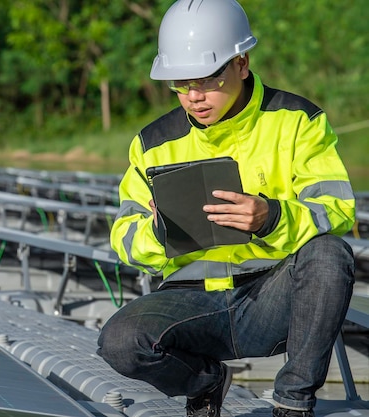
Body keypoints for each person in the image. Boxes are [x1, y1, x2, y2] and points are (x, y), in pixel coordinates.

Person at [96, 1, 356, 417]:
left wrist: (271, 217)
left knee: (329, 255)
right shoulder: (152, 142)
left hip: (270, 296)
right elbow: (124, 237)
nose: (194, 97)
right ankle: (206, 381)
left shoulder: (297, 120)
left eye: (205, 80)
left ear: (242, 63)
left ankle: (292, 402)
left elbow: (337, 207)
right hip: (190, 303)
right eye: (181, 84)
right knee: (120, 343)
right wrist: (158, 233)